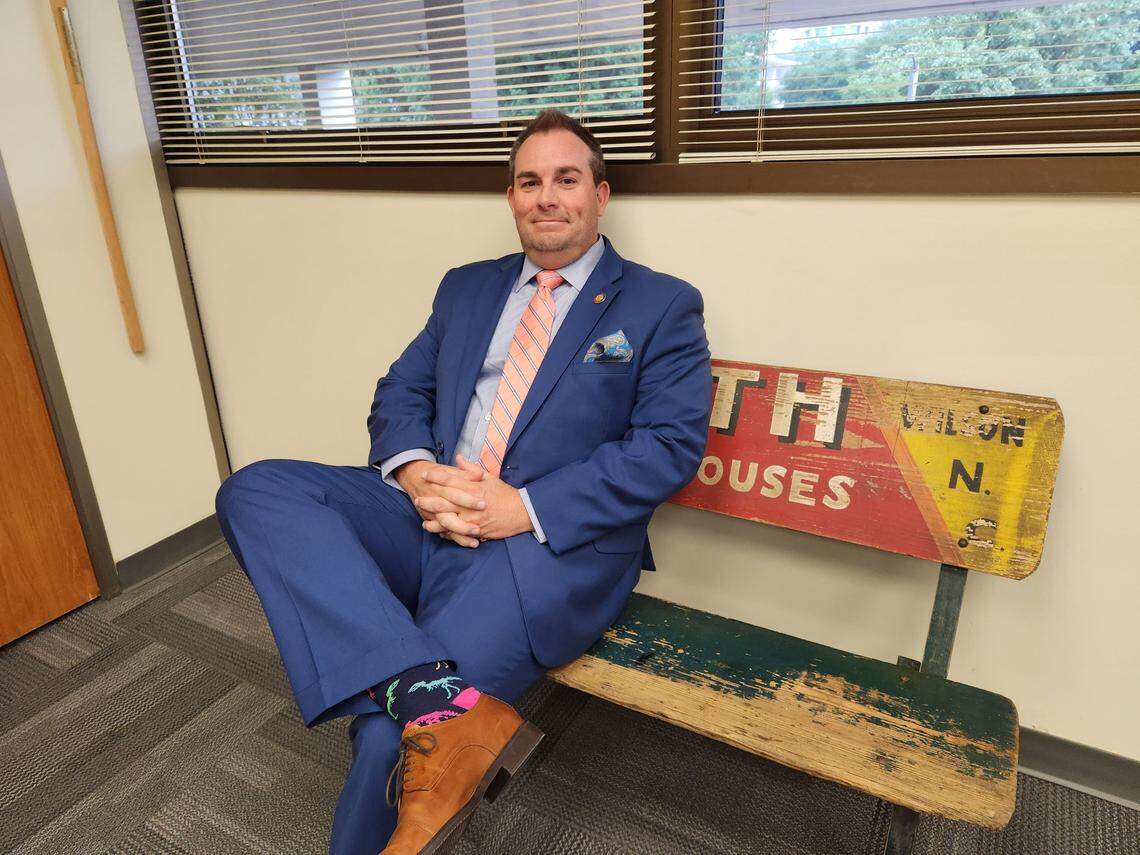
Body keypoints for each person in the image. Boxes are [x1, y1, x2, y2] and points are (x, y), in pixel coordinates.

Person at [214, 109, 713, 855]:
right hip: (425, 512)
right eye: (529, 181)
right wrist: (416, 475)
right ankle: (437, 693)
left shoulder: (661, 304)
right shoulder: (467, 289)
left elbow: (668, 447)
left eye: (566, 179)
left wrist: (525, 506)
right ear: (511, 197)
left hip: (539, 548)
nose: (546, 196)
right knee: (256, 489)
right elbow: (400, 391)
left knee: (390, 734)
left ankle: (411, 722)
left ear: (600, 196)